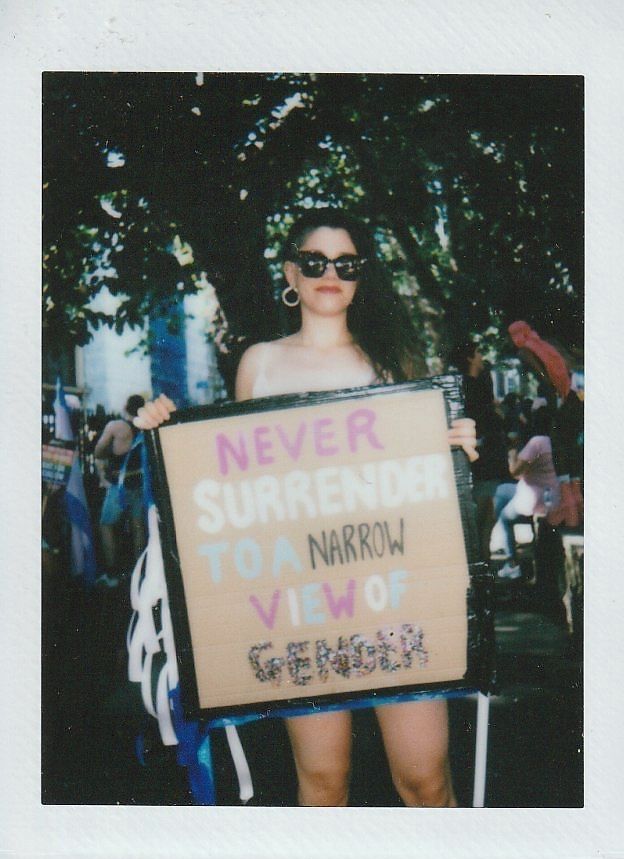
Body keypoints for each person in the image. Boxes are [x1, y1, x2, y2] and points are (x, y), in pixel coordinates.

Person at [136, 208, 477, 807]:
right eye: (314, 262)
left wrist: (455, 452)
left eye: (346, 264)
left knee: (424, 779)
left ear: (361, 276)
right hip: (302, 603)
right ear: (290, 274)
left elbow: (421, 483)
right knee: (322, 781)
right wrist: (170, 436)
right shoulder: (260, 362)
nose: (330, 275)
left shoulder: (395, 362)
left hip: (393, 595)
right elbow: (237, 485)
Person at [447, 339, 508, 562]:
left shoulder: (473, 386)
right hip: (482, 461)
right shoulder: (470, 389)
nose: (482, 356)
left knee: (485, 518)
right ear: (470, 358)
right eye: (479, 352)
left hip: (485, 460)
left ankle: (484, 563)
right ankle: (483, 565)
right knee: (484, 517)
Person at [493, 405, 560, 580]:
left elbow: (515, 471)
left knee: (503, 517)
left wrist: (512, 450)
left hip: (533, 497)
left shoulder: (537, 442)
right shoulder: (554, 441)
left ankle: (512, 563)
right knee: (501, 491)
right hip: (550, 494)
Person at [94, 394, 146, 587]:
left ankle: (112, 574)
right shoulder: (146, 428)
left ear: (125, 407)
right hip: (139, 482)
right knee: (137, 526)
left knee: (106, 525)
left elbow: (98, 451)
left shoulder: (116, 427)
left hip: (119, 485)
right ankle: (141, 574)